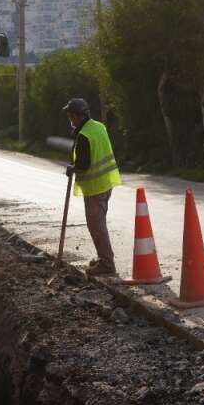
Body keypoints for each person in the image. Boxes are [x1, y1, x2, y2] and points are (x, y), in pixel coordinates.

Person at [62, 97, 121, 275]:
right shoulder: (98, 126)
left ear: (78, 116)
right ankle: (103, 258)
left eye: (71, 116)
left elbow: (84, 165)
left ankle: (107, 264)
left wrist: (72, 169)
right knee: (98, 223)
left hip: (95, 186)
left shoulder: (84, 136)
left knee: (96, 225)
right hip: (106, 183)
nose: (70, 119)